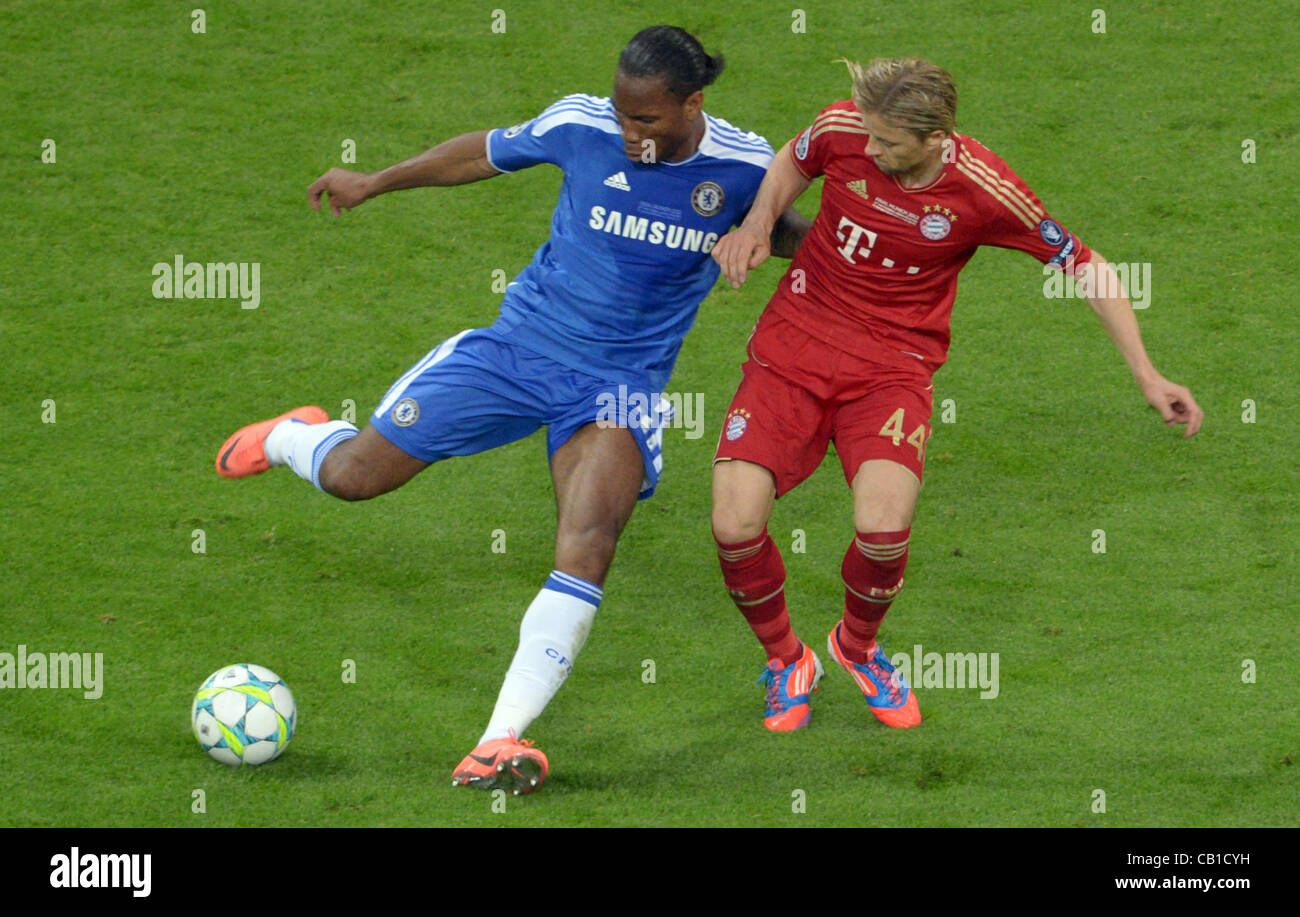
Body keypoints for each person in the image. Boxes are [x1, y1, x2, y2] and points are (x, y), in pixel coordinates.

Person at [214, 26, 808, 793]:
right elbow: (481, 152)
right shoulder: (582, 126)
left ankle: (498, 740)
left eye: (648, 122)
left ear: (693, 103)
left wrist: (766, 235)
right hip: (516, 353)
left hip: (617, 387)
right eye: (623, 116)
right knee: (354, 476)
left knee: (587, 544)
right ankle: (296, 435)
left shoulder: (743, 165)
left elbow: (795, 231)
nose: (630, 135)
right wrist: (375, 180)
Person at [709, 57, 1203, 732]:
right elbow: (794, 159)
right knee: (734, 525)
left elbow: (1082, 263)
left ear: (935, 139)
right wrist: (760, 224)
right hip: (793, 347)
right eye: (868, 137)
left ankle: (856, 647)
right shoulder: (845, 127)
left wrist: (1148, 373)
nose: (870, 148)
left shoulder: (985, 191)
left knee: (883, 530)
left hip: (891, 368)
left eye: (886, 143)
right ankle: (786, 660)